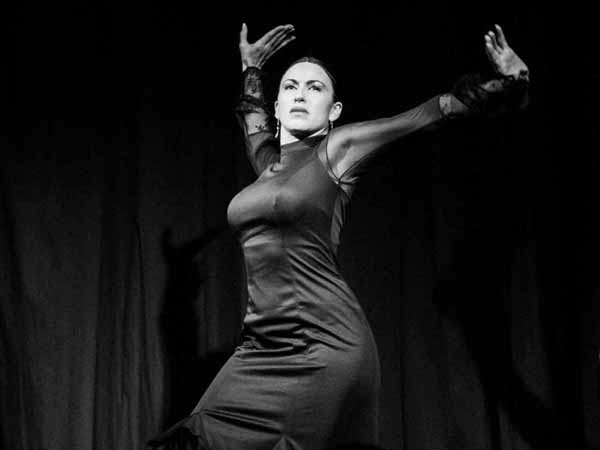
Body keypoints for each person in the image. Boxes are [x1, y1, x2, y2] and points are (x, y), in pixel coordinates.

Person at [147, 22, 529, 450]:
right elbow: (252, 121)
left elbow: (425, 116)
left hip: (323, 343)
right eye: (290, 87)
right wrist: (251, 67)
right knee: (195, 437)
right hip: (260, 347)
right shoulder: (269, 165)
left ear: (334, 111)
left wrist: (512, 81)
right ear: (277, 107)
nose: (300, 95)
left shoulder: (337, 151)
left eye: (315, 88)